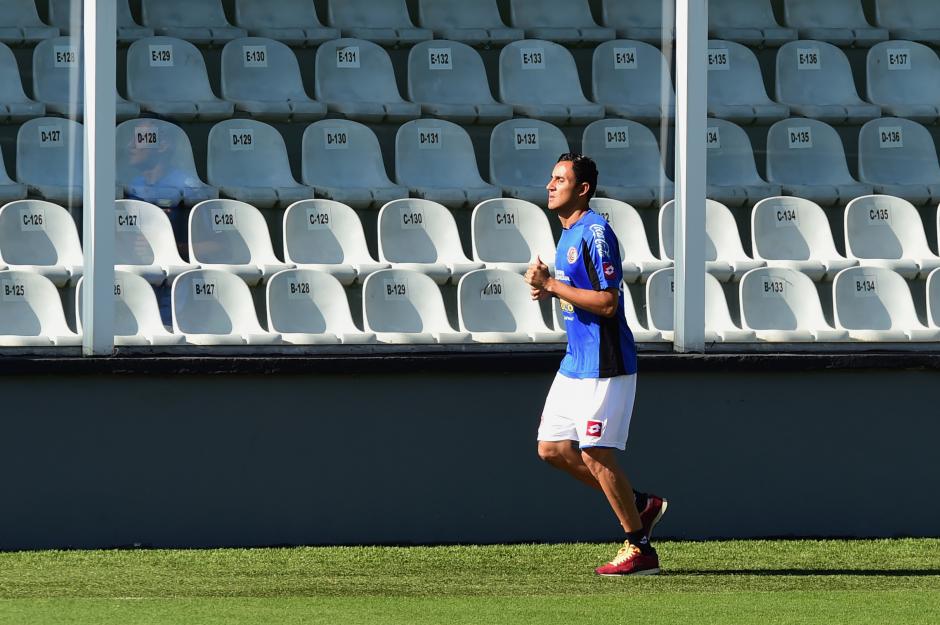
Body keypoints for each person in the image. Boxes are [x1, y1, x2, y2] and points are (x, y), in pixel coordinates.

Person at [525, 153, 665, 576]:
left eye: (560, 179)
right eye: (550, 178)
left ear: (582, 189)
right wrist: (553, 288)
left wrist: (551, 285)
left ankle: (640, 547)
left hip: (605, 362)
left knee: (595, 453)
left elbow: (608, 302)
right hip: (575, 362)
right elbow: (577, 291)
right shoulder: (566, 234)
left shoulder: (596, 232)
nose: (550, 185)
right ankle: (640, 504)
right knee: (551, 449)